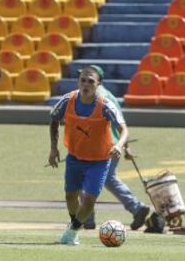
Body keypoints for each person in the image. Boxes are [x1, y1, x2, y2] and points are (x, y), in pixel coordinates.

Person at [48, 65, 129, 245]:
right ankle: (74, 224)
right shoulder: (67, 100)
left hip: (99, 161)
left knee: (89, 199)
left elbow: (123, 129)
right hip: (75, 157)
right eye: (82, 80)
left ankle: (73, 231)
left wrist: (120, 145)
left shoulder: (105, 105)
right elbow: (54, 120)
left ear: (98, 84)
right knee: (70, 196)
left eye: (90, 81)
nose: (85, 84)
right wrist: (53, 149)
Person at [84, 85, 150, 231]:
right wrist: (125, 146)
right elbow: (121, 123)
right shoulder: (110, 95)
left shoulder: (94, 97)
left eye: (89, 79)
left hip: (100, 145)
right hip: (114, 144)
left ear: (97, 80)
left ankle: (87, 218)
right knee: (109, 178)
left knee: (86, 177)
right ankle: (136, 208)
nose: (84, 82)